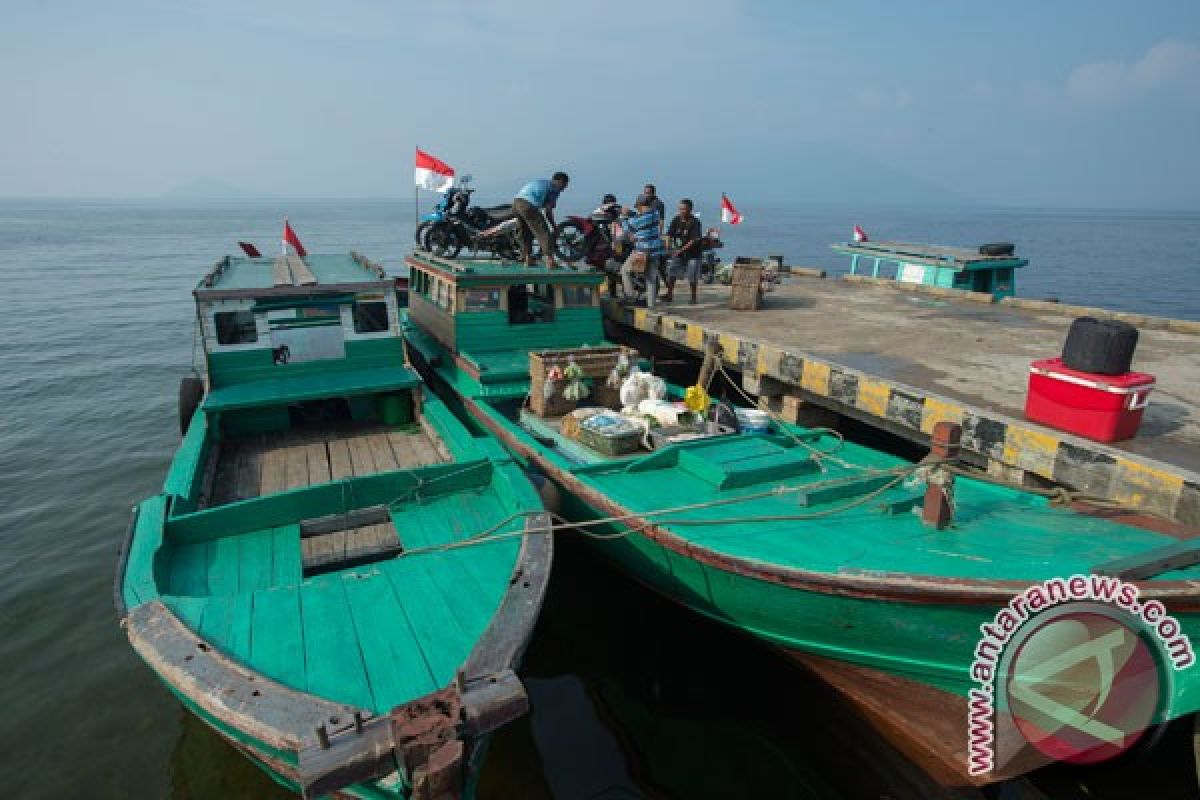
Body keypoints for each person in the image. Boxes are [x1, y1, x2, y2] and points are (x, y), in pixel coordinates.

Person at [512, 172, 569, 268]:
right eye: (565, 184)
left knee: (525, 232)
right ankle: (550, 261)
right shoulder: (554, 188)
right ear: (560, 181)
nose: (565, 187)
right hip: (528, 205)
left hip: (516, 203)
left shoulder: (543, 183)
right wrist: (554, 226)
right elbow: (548, 211)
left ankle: (527, 258)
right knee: (543, 232)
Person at [620, 197, 666, 309]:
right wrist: (632, 213)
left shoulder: (637, 220)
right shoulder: (655, 213)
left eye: (637, 207)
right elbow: (640, 217)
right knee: (650, 279)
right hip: (655, 251)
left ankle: (631, 296)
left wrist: (623, 216)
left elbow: (627, 228)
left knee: (625, 271)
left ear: (640, 205)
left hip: (641, 252)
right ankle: (651, 306)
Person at [665, 198, 704, 304]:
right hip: (678, 252)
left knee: (692, 276)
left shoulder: (695, 222)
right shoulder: (676, 219)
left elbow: (693, 240)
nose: (681, 211)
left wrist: (681, 250)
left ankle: (693, 297)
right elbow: (669, 234)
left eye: (684, 209)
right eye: (680, 209)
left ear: (690, 209)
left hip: (693, 254)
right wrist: (668, 246)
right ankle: (669, 294)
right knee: (671, 272)